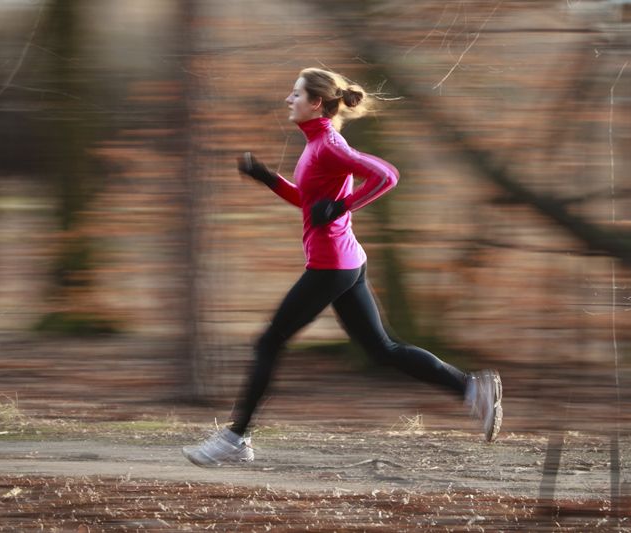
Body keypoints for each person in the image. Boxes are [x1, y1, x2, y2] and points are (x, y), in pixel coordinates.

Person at [183, 67, 502, 467]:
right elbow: (309, 201)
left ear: (316, 102)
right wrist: (268, 178)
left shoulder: (328, 145)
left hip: (331, 264)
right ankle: (471, 388)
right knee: (382, 349)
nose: (288, 99)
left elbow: (387, 175)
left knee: (269, 343)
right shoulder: (318, 144)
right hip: (346, 260)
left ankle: (235, 438)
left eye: (295, 94)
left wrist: (343, 206)